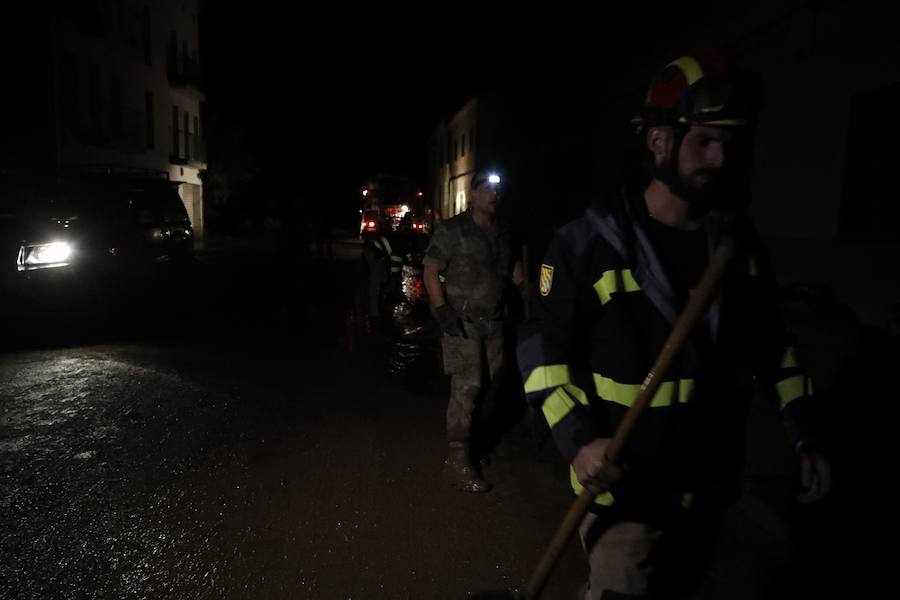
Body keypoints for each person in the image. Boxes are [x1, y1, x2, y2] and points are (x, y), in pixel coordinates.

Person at [516, 49, 832, 598]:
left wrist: (804, 433)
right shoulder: (587, 244)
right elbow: (543, 352)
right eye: (705, 141)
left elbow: (772, 347)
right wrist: (580, 441)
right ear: (658, 139)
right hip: (625, 492)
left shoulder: (737, 245)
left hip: (707, 490)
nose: (720, 157)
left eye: (731, 143)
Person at [424, 170, 524, 493]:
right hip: (462, 323)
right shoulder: (453, 230)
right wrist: (442, 310)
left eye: (498, 190)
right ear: (474, 193)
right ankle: (457, 460)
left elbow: (513, 272)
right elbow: (431, 271)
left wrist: (531, 289)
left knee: (492, 385)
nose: (494, 196)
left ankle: (473, 448)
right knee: (468, 388)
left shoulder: (503, 232)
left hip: (493, 322)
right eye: (487, 190)